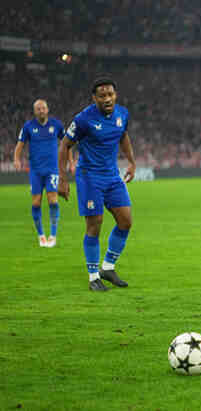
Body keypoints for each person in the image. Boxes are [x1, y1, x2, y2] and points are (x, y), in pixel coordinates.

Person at [57, 76, 136, 292]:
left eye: (110, 94)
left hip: (112, 176)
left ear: (115, 95)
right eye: (102, 96)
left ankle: (108, 268)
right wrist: (62, 179)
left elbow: (123, 136)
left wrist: (131, 161)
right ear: (95, 98)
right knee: (95, 224)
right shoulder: (84, 119)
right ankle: (93, 277)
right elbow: (64, 145)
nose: (107, 99)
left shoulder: (122, 114)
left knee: (125, 221)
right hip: (90, 177)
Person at [13, 99, 74, 248]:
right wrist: (16, 159)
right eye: (38, 109)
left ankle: (52, 236)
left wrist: (71, 161)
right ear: (35, 111)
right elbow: (20, 145)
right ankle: (41, 236)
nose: (41, 111)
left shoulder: (56, 125)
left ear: (47, 109)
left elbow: (67, 143)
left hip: (52, 170)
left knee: (53, 200)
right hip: (36, 170)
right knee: (36, 202)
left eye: (43, 108)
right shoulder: (28, 127)